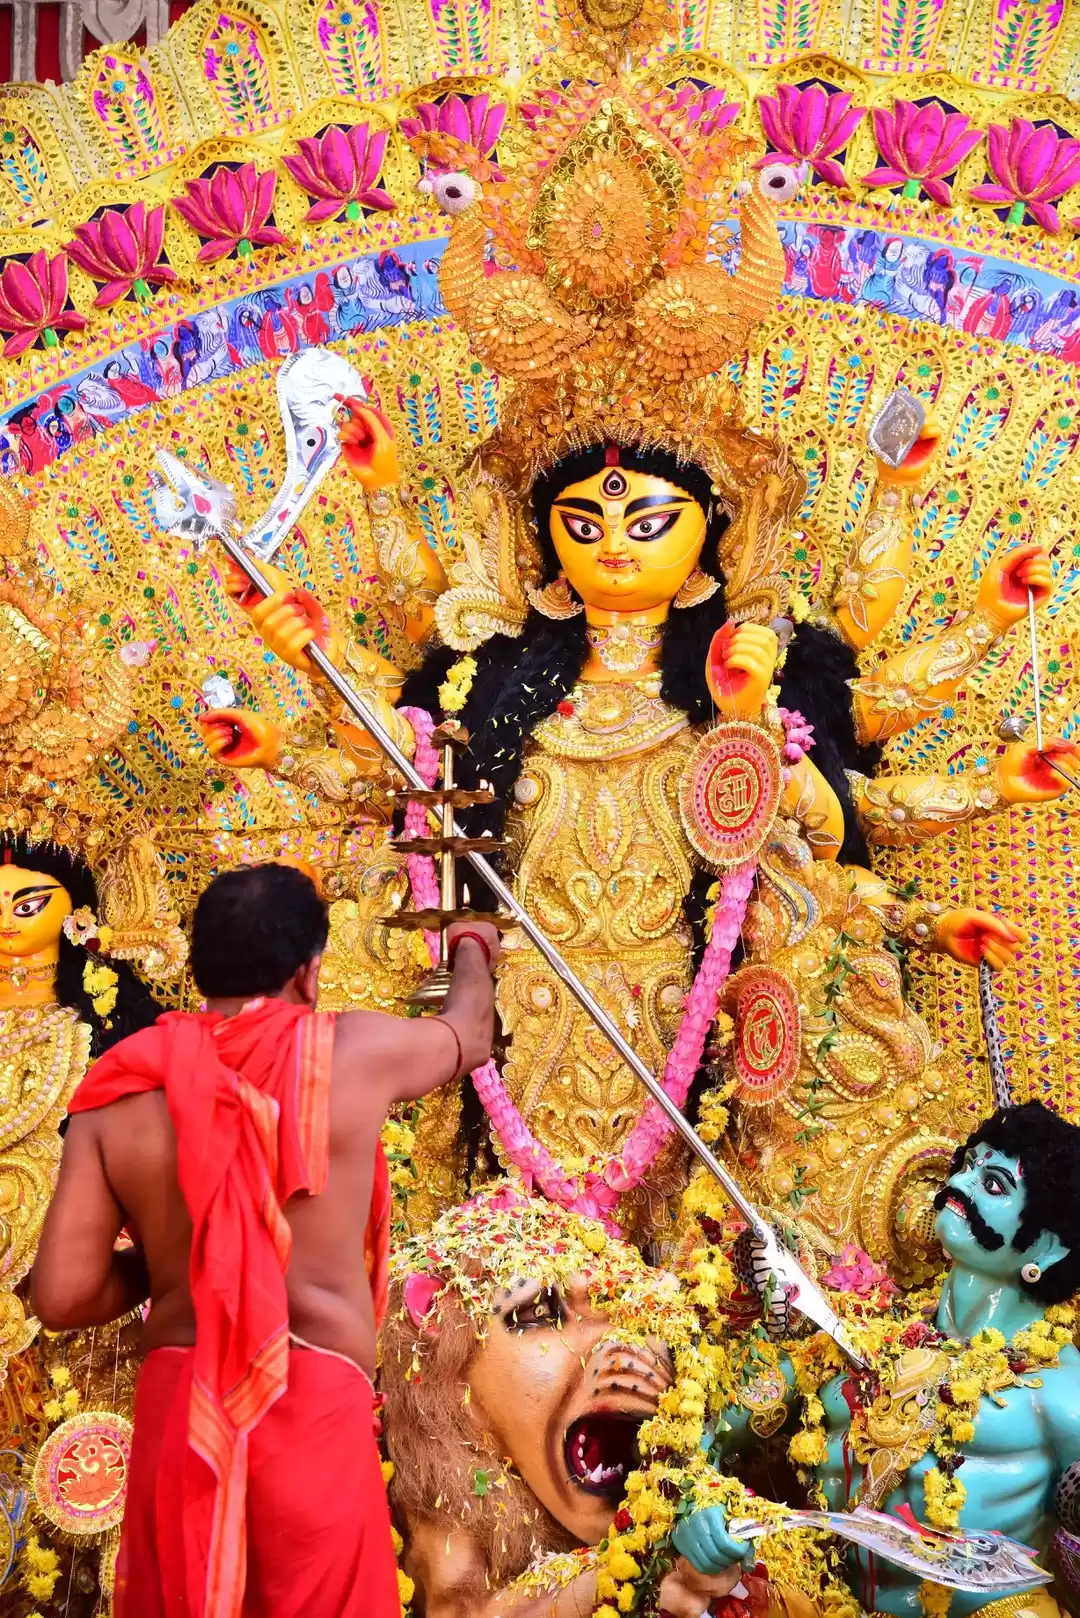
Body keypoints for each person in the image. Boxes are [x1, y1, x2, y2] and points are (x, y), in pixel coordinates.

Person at [31, 861, 500, 1618]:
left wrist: (191, 1261)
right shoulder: (357, 1052)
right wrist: (475, 942)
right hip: (312, 1413)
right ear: (309, 974)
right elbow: (468, 1034)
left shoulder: (120, 1092)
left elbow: (62, 1293)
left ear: (197, 967)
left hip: (182, 1417)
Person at [674, 1101, 1080, 1618]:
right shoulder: (852, 1336)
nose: (963, 1184)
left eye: (994, 1183)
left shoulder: (1063, 1394)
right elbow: (708, 1431)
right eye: (968, 1165)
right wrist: (698, 1507)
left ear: (1047, 1250)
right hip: (825, 1601)